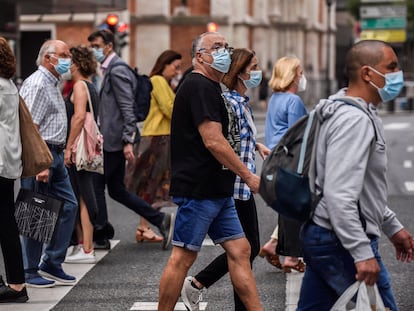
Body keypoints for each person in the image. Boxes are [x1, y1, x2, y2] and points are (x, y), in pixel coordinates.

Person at [297, 40, 414, 310]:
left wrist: (392, 226)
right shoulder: (354, 120)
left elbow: (362, 188)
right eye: (391, 67)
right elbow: (340, 194)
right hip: (339, 240)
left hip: (325, 233)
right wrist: (362, 253)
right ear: (367, 73)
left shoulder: (350, 111)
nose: (397, 74)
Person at [158, 32, 263, 311]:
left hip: (218, 188)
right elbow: (213, 140)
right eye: (216, 47)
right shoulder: (198, 85)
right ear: (200, 56)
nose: (224, 52)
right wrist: (248, 175)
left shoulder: (212, 87)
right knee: (183, 258)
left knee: (241, 250)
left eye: (225, 47)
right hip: (200, 188)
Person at [180, 48, 270, 311]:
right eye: (253, 66)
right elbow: (221, 140)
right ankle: (196, 283)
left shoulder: (241, 101)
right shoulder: (230, 102)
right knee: (245, 249)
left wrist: (256, 145)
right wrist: (247, 174)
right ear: (240, 73)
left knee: (245, 249)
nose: (257, 71)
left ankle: (198, 284)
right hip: (235, 184)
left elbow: (238, 137)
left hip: (241, 183)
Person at [87, 29, 174, 250]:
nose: (93, 51)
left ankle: (100, 233)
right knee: (116, 189)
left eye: (96, 46)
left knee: (97, 184)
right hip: (112, 138)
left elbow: (127, 108)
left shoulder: (116, 71)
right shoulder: (109, 69)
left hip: (114, 140)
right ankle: (159, 219)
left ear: (109, 46)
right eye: (92, 47)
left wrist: (127, 140)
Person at [19, 39, 78, 287]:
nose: (68, 60)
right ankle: (29, 270)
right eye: (63, 55)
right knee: (36, 211)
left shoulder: (54, 82)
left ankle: (51, 262)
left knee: (68, 206)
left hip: (55, 154)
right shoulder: (38, 83)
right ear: (48, 58)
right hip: (41, 155)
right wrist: (40, 163)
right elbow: (30, 126)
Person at [124, 50, 182, 243]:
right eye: (175, 67)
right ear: (164, 64)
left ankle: (144, 227)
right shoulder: (158, 80)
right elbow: (170, 109)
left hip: (158, 136)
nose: (177, 71)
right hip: (156, 137)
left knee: (150, 184)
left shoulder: (162, 82)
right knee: (149, 183)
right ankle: (144, 226)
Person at [259, 56, 307, 273]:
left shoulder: (275, 98)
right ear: (292, 75)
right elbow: (298, 136)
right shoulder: (293, 101)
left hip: (274, 158)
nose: (302, 77)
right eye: (300, 73)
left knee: (288, 204)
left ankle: (276, 244)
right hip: (289, 158)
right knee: (299, 204)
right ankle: (292, 255)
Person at [63, 45, 99, 263]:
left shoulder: (79, 86)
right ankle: (81, 245)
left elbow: (78, 118)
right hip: (86, 147)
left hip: (79, 148)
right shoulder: (91, 85)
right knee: (79, 193)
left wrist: (68, 147)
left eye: (68, 59)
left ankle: (86, 248)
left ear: (75, 64)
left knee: (83, 196)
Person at [0, 36, 28, 303]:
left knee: (6, 225)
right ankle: (17, 283)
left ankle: (17, 286)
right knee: (6, 223)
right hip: (8, 163)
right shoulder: (8, 85)